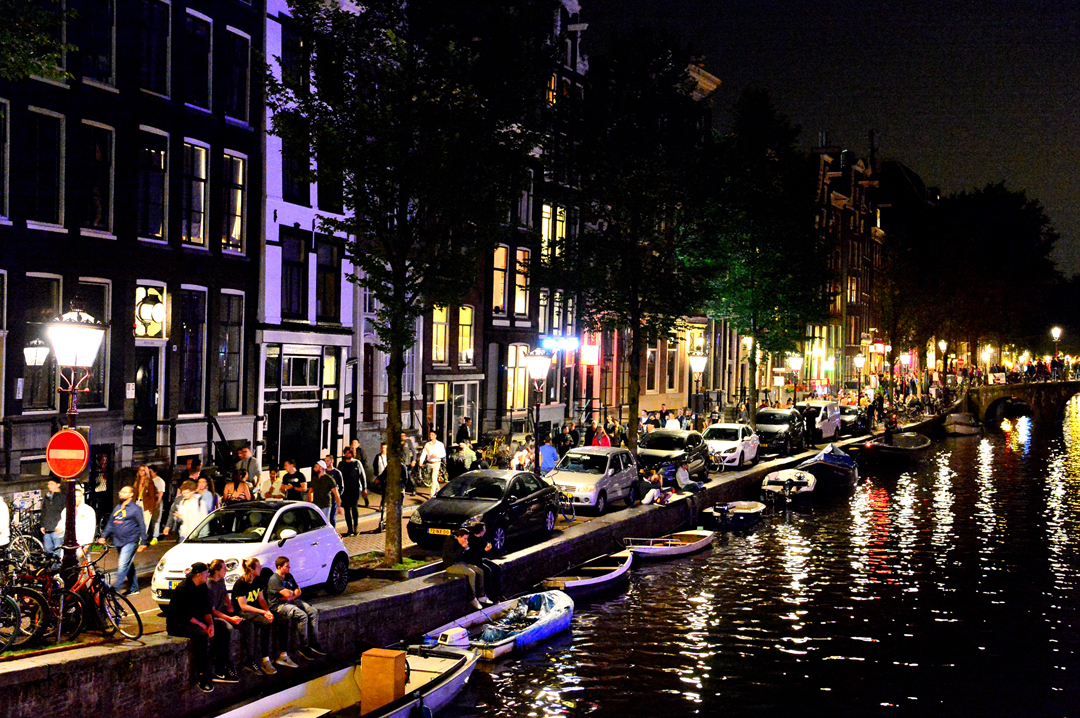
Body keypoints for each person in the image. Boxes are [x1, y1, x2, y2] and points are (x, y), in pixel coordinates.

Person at [166, 561, 216, 693]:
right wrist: (202, 626)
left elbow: (206, 608)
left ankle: (220, 668)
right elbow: (184, 614)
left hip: (195, 620)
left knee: (220, 629)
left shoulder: (202, 586)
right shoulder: (183, 588)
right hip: (178, 623)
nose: (208, 575)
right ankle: (202, 675)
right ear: (198, 575)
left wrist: (211, 624)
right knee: (201, 636)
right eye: (206, 573)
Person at [267, 556, 326, 661]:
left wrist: (291, 596)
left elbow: (298, 590)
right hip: (279, 605)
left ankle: (314, 641)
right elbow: (288, 593)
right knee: (302, 615)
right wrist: (291, 594)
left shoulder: (289, 576)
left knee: (313, 611)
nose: (289, 567)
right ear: (279, 567)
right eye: (287, 566)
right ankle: (304, 645)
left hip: (292, 600)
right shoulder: (274, 580)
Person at [97, 486, 149, 595]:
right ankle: (134, 588)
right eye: (120, 491)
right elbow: (111, 524)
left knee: (122, 566)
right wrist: (103, 536)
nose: (121, 493)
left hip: (131, 541)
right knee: (128, 565)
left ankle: (114, 590)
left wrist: (144, 542)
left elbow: (142, 525)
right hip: (119, 541)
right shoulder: (118, 507)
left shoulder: (135, 509)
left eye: (124, 492)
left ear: (131, 494)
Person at [231, 557, 278, 675]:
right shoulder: (241, 584)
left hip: (255, 610)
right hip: (242, 612)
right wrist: (262, 612)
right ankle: (261, 659)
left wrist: (267, 611)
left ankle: (276, 656)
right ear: (251, 570)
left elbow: (261, 599)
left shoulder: (258, 580)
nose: (261, 568)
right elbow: (243, 606)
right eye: (258, 567)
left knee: (277, 619)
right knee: (263, 623)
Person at [206, 559, 241, 684]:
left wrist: (229, 606)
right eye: (224, 568)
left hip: (222, 611)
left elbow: (225, 593)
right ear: (216, 571)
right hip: (212, 616)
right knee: (227, 629)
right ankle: (224, 667)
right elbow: (213, 611)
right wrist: (230, 619)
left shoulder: (220, 580)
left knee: (245, 623)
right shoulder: (209, 586)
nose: (226, 570)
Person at [442, 528, 490, 609]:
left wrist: (467, 550)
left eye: (467, 539)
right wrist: (462, 548)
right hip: (451, 565)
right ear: (459, 537)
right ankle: (472, 598)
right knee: (471, 573)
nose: (466, 541)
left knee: (480, 571)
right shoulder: (450, 543)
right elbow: (452, 558)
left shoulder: (462, 543)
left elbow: (467, 557)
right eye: (465, 538)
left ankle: (481, 595)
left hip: (461, 563)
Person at [56, 487, 97, 558]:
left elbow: (91, 528)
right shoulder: (66, 510)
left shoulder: (88, 510)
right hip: (68, 543)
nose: (78, 498)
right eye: (76, 496)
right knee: (63, 561)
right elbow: (62, 523)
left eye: (80, 496)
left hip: (82, 543)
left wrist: (87, 545)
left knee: (83, 562)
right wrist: (59, 528)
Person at [133, 465, 160, 544]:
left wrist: (151, 508)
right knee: (136, 521)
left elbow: (152, 496)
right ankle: (137, 538)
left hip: (146, 504)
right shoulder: (137, 481)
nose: (141, 472)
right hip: (137, 502)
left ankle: (142, 540)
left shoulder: (150, 482)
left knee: (145, 522)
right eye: (140, 470)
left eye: (143, 470)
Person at [339, 448, 363, 536]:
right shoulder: (341, 464)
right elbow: (339, 476)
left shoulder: (357, 463)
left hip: (354, 489)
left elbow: (362, 476)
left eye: (349, 453)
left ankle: (356, 527)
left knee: (354, 508)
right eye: (346, 453)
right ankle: (349, 529)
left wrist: (364, 488)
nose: (347, 454)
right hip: (345, 490)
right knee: (346, 509)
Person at [39, 478, 65, 555]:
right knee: (47, 550)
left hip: (57, 528)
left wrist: (62, 526)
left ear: (58, 485)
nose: (49, 486)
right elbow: (44, 511)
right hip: (47, 528)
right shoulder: (47, 496)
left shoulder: (62, 497)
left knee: (57, 550)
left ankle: (57, 563)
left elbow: (64, 512)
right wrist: (42, 525)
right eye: (48, 484)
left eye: (51, 484)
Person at [419, 431, 447, 495]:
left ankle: (432, 494)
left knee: (434, 479)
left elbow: (443, 454)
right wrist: (421, 461)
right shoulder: (427, 444)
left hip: (436, 462)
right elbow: (424, 453)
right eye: (430, 435)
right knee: (433, 478)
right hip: (429, 463)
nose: (431, 436)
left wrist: (437, 456)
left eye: (432, 435)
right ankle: (439, 490)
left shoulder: (440, 444)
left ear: (435, 436)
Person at [149, 465, 168, 542]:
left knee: (156, 519)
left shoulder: (159, 481)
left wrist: (157, 502)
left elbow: (161, 493)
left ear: (155, 472)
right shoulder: (148, 480)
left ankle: (155, 536)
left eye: (150, 472)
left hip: (156, 500)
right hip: (149, 501)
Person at [324, 454, 344, 521]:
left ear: (332, 461)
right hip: (325, 498)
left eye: (328, 461)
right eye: (325, 461)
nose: (326, 462)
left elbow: (341, 486)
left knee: (332, 517)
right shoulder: (324, 472)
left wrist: (337, 496)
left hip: (333, 498)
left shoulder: (337, 473)